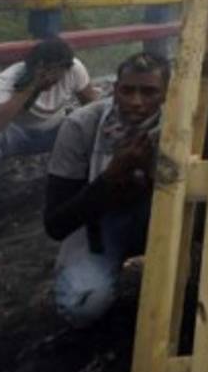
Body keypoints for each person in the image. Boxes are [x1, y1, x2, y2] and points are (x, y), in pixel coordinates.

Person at [43, 52, 170, 328]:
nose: (136, 101)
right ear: (115, 89)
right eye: (127, 90)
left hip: (162, 222)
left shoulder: (183, 126)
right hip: (99, 225)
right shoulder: (80, 125)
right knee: (82, 304)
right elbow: (55, 224)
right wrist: (111, 176)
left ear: (166, 94)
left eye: (149, 92)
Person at [0, 37, 98, 212]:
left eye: (55, 73)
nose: (50, 78)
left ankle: (86, 176)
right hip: (16, 134)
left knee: (85, 125)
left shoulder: (74, 69)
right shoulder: (8, 79)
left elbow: (92, 106)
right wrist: (30, 87)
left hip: (56, 131)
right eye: (45, 71)